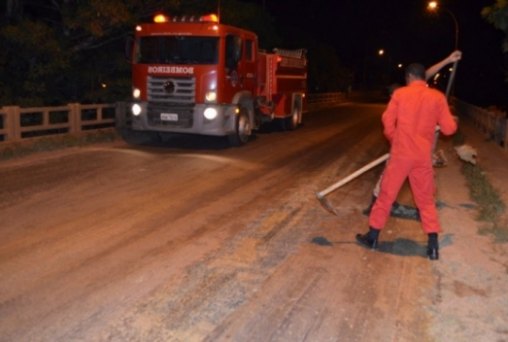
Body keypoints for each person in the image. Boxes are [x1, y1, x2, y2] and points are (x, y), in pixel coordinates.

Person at [356, 62, 458, 260]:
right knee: (426, 200)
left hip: (401, 155)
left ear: (409, 77)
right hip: (422, 157)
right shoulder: (437, 97)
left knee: (386, 195)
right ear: (423, 77)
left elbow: (387, 121)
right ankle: (433, 245)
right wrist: (451, 121)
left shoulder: (400, 94)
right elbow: (449, 129)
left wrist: (395, 139)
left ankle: (373, 237)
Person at [363, 51, 462, 221]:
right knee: (392, 175)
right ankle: (378, 203)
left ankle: (388, 205)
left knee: (407, 175)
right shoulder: (403, 94)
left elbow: (425, 75)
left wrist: (447, 60)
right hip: (406, 146)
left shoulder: (415, 92)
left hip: (413, 147)